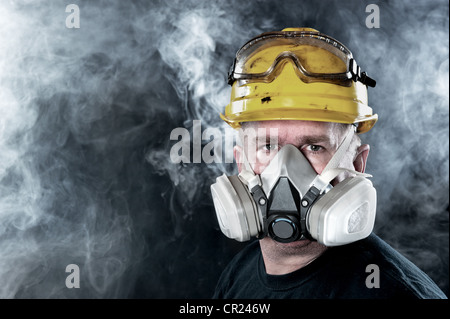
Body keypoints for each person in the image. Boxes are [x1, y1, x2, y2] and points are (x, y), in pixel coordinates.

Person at [210, 28, 447, 299]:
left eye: (314, 147)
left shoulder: (395, 293)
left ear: (357, 164)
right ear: (241, 163)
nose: (285, 167)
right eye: (269, 146)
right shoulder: (240, 273)